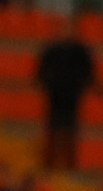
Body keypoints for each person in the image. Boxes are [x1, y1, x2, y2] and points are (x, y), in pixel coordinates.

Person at [35, 30, 94, 171]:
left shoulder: (80, 53)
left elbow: (90, 74)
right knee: (53, 131)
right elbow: (41, 73)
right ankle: (49, 164)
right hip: (55, 96)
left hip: (72, 98)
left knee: (70, 131)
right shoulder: (52, 51)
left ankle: (69, 165)